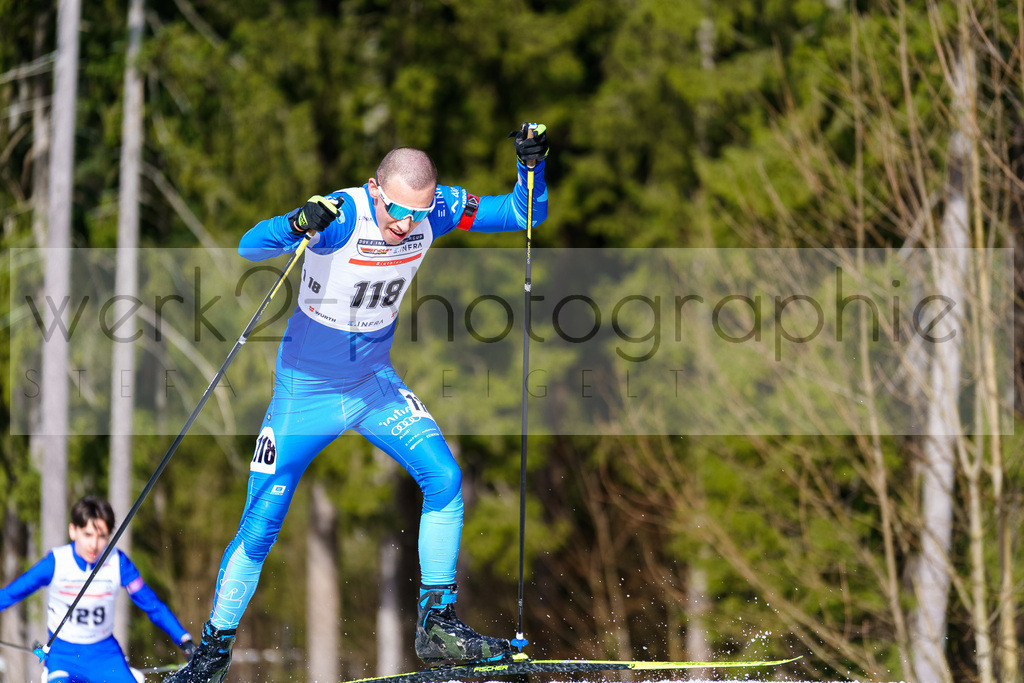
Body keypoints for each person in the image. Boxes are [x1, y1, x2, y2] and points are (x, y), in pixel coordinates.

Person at [167, 124, 548, 682]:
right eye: (397, 211)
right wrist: (296, 224)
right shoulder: (342, 216)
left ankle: (436, 623)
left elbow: (521, 214)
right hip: (306, 392)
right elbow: (251, 245)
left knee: (444, 477)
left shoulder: (437, 210)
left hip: (373, 384)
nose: (407, 226)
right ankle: (212, 655)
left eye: (418, 215)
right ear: (375, 189)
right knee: (261, 521)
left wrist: (530, 169)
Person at [0, 496, 194, 683]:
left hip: (104, 654)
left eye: (102, 536)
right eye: (87, 534)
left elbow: (152, 605)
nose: (94, 545)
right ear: (73, 531)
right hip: (63, 655)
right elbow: (11, 594)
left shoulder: (118, 563)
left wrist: (183, 639)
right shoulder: (56, 563)